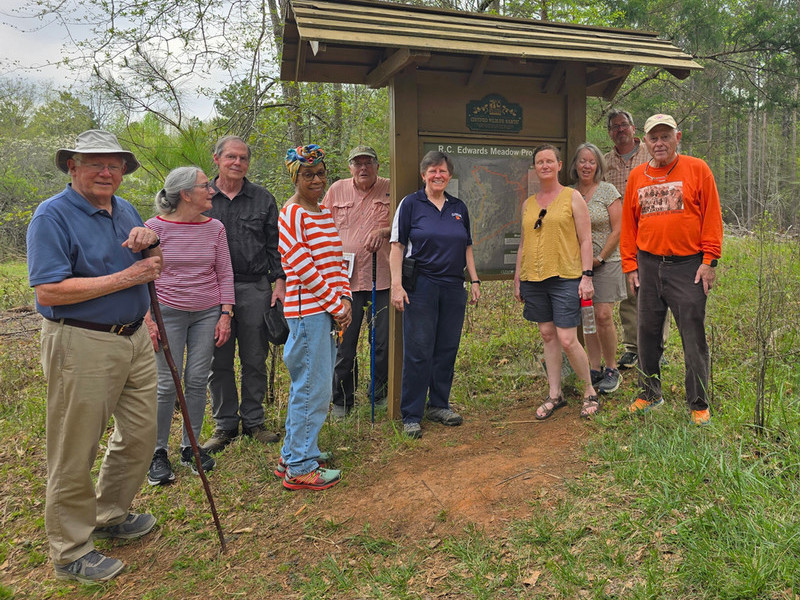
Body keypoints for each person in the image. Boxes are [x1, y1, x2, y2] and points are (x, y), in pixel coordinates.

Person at [26, 130, 162, 582]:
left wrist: (148, 241)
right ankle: (70, 550)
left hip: (135, 337)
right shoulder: (52, 216)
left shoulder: (125, 209)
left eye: (115, 165)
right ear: (72, 167)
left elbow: (147, 262)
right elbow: (48, 290)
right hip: (81, 342)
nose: (107, 172)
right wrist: (130, 276)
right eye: (95, 163)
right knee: (74, 446)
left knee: (142, 433)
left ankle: (110, 515)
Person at [619, 114, 723, 425]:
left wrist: (709, 261)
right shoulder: (637, 176)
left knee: (693, 335)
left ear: (677, 137)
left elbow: (712, 217)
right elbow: (628, 224)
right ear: (646, 142)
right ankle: (649, 393)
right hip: (648, 264)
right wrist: (630, 265)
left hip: (688, 265)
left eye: (666, 136)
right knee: (647, 333)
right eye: (654, 138)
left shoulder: (697, 169)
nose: (660, 143)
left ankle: (699, 402)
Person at [144, 167, 235, 485]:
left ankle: (190, 448)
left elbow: (224, 272)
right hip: (166, 313)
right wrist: (148, 318)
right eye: (204, 186)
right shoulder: (153, 228)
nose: (211, 190)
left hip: (206, 313)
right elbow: (144, 274)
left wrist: (225, 313)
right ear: (185, 194)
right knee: (167, 385)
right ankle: (157, 453)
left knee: (196, 380)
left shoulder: (216, 228)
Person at [203, 136, 286, 453]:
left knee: (255, 357)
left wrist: (279, 282)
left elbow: (275, 245)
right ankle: (225, 425)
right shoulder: (202, 197)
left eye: (243, 158)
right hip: (210, 289)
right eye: (231, 157)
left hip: (254, 287)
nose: (237, 163)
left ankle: (254, 421)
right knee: (218, 359)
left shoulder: (262, 199)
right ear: (217, 159)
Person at [390, 150, 481, 439]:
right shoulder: (410, 204)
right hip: (421, 285)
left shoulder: (458, 207)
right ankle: (412, 414)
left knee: (446, 348)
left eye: (442, 171)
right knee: (418, 350)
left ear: (449, 175)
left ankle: (439, 404)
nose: (437, 175)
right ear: (423, 174)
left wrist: (475, 279)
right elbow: (397, 246)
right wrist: (396, 285)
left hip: (453, 286)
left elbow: (466, 246)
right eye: (432, 170)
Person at [277, 144, 352, 490]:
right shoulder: (292, 213)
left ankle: (294, 452)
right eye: (308, 174)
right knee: (312, 388)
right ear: (295, 177)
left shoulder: (321, 212)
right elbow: (304, 268)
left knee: (310, 385)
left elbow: (335, 262)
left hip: (326, 309)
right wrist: (335, 306)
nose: (318, 179)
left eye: (321, 173)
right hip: (308, 313)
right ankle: (301, 468)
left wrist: (345, 299)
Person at [513, 144, 599, 419]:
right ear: (535, 167)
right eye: (540, 162)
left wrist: (587, 276)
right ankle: (555, 394)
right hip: (534, 278)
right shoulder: (528, 204)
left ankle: (589, 391)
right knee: (547, 335)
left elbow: (586, 240)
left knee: (566, 339)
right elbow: (523, 243)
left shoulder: (572, 197)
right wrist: (518, 278)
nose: (545, 165)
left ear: (560, 165)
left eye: (550, 161)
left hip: (565, 276)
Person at [323, 145, 391, 418]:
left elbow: (405, 222)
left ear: (377, 165)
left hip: (382, 279)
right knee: (345, 344)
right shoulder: (337, 189)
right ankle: (342, 402)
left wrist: (384, 231)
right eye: (357, 163)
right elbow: (322, 225)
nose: (363, 168)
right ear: (350, 167)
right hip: (345, 283)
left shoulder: (390, 188)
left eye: (368, 162)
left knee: (383, 344)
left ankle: (380, 395)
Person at [604, 109, 669, 369]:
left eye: (624, 125)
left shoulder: (651, 153)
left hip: (653, 232)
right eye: (615, 127)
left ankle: (657, 348)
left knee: (655, 292)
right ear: (610, 133)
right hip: (620, 236)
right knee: (630, 292)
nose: (620, 130)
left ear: (633, 128)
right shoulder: (605, 161)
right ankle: (632, 347)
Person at [569, 143, 626, 394]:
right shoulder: (568, 194)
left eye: (592, 161)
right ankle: (594, 368)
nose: (587, 166)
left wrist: (600, 258)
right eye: (582, 161)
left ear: (598, 165)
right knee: (587, 317)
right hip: (579, 266)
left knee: (603, 315)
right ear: (575, 165)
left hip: (608, 262)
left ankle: (612, 368)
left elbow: (619, 229)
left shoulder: (607, 191)